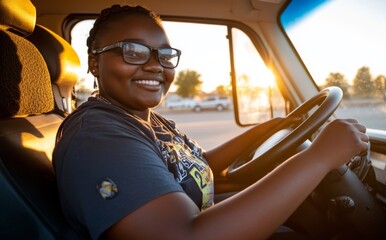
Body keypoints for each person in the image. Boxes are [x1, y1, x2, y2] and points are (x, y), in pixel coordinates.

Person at [53, 4, 368, 240]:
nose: (155, 66)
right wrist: (318, 157)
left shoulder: (144, 119)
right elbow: (186, 235)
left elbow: (197, 167)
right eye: (133, 52)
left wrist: (267, 129)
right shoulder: (98, 137)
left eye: (164, 54)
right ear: (95, 61)